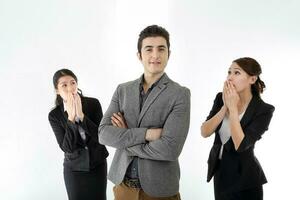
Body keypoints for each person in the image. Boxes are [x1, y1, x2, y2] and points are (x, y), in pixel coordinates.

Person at [98, 25, 190, 200]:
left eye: (161, 49)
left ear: (168, 54)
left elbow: (170, 149)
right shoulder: (122, 90)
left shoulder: (180, 94)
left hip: (159, 191)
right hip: (123, 187)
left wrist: (125, 138)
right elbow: (103, 134)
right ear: (139, 55)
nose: (155, 55)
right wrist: (147, 134)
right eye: (149, 49)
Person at [201, 57, 275, 200]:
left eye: (236, 73)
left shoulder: (264, 109)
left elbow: (240, 145)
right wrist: (224, 107)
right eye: (229, 72)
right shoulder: (220, 98)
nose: (230, 77)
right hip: (220, 175)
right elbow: (205, 132)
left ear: (252, 79)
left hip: (246, 180)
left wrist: (233, 109)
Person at [48, 69, 108, 200]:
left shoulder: (93, 104)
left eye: (73, 82)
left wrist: (81, 116)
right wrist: (71, 118)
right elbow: (67, 147)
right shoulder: (55, 115)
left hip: (97, 164)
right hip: (74, 169)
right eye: (64, 85)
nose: (70, 88)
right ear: (57, 90)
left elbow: (102, 137)